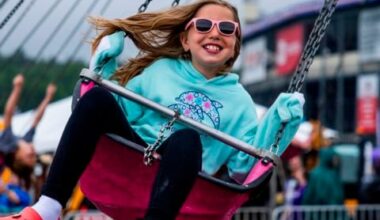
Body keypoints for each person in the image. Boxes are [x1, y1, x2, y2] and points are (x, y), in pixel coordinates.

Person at [0, 1, 304, 219]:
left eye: (227, 28)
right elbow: (119, 110)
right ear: (185, 39)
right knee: (95, 101)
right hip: (131, 159)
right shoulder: (160, 70)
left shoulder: (239, 102)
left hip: (187, 185)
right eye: (203, 25)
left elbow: (242, 169)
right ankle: (47, 208)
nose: (214, 33)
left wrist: (278, 125)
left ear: (235, 46)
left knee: (187, 138)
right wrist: (102, 67)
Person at [0, 74, 56, 213]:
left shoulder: (7, 146)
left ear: (17, 156)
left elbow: (8, 114)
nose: (32, 151)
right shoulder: (25, 142)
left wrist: (17, 88)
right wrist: (48, 97)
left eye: (29, 156)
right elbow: (37, 118)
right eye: (33, 155)